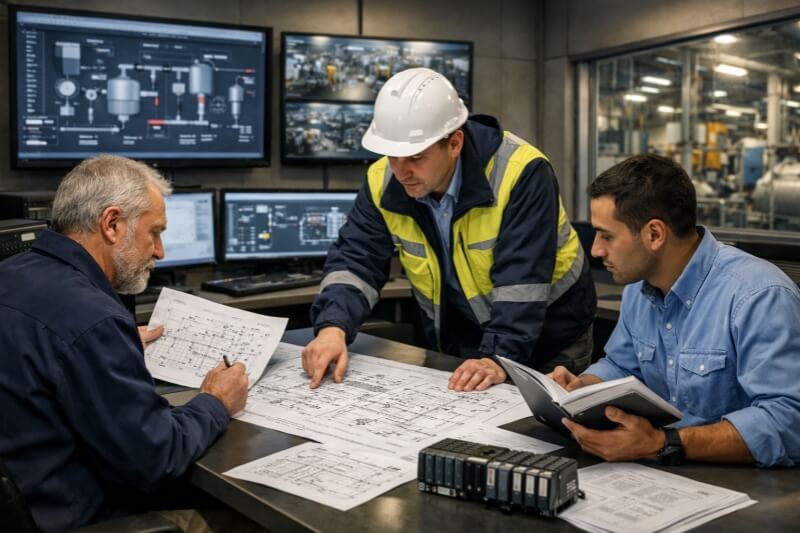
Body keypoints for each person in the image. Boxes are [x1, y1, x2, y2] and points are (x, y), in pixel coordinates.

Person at [303, 67, 597, 392]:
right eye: (392, 156)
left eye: (415, 157)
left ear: (454, 143)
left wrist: (498, 357)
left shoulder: (521, 173)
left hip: (548, 337)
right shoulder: (383, 179)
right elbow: (356, 261)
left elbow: (522, 284)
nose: (401, 172)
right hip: (464, 340)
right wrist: (333, 326)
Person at [0, 155, 250, 531]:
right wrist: (215, 401)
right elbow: (155, 457)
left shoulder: (12, 273)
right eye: (155, 232)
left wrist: (107, 349)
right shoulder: (92, 317)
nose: (160, 252)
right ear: (112, 224)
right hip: (84, 517)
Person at [550, 154, 800, 467]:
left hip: (748, 485)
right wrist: (581, 388)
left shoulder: (758, 297)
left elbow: (789, 420)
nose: (596, 250)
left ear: (655, 234)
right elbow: (622, 365)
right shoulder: (639, 290)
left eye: (607, 236)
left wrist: (663, 444)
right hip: (665, 469)